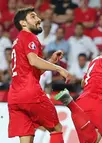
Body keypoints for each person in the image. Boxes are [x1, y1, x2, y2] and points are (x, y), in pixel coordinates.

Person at [8, 7, 71, 143]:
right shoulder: (29, 36)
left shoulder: (18, 40)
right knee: (56, 129)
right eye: (33, 17)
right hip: (30, 92)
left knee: (26, 138)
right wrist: (59, 68)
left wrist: (51, 61)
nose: (38, 19)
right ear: (23, 23)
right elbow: (34, 60)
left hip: (15, 96)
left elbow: (33, 68)